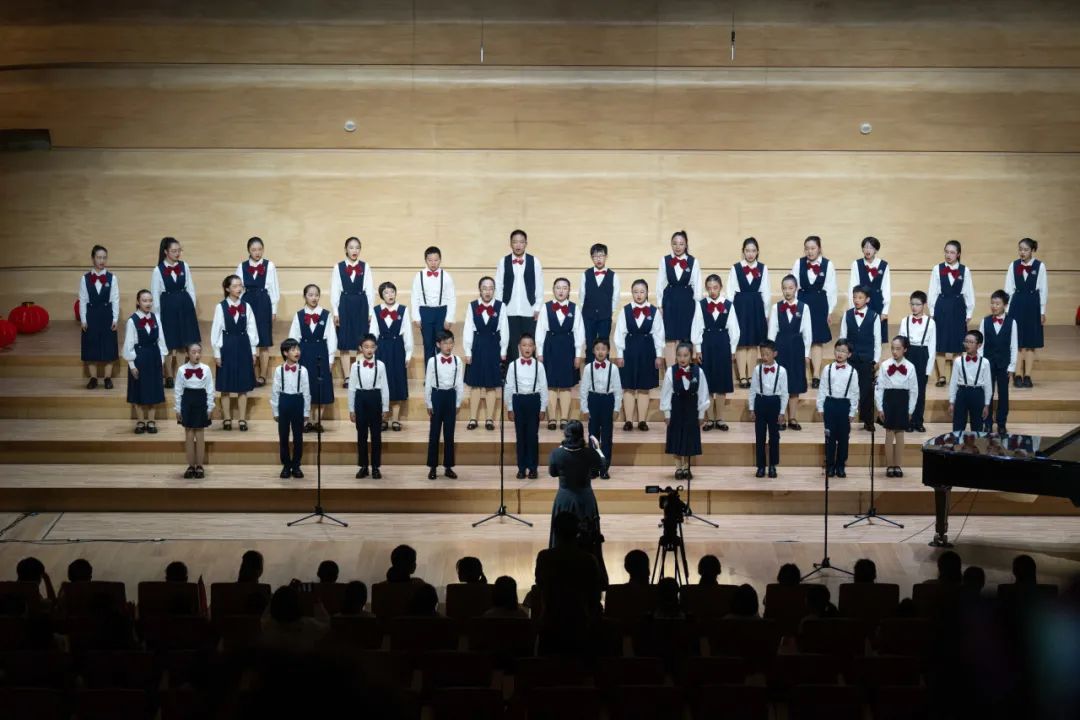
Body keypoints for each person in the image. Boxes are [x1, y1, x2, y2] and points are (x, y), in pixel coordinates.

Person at [534, 511, 603, 656]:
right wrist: (595, 550)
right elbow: (599, 590)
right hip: (579, 625)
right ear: (577, 531)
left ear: (555, 531)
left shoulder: (544, 557)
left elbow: (540, 585)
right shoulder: (588, 559)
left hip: (551, 624)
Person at [547, 420, 606, 579]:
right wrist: (598, 450)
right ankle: (588, 576)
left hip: (564, 499)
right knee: (588, 537)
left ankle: (560, 575)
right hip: (585, 499)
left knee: (563, 536)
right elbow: (601, 467)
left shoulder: (556, 453)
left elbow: (553, 473)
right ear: (581, 434)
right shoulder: (590, 453)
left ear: (566, 434)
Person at [614, 279, 665, 431]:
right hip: (629, 350)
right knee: (628, 386)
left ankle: (642, 420)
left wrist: (659, 355)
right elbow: (619, 333)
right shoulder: (625, 310)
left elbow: (659, 334)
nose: (639, 295)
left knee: (644, 386)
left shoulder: (654, 311)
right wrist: (619, 354)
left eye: (642, 292)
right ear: (632, 293)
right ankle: (628, 420)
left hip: (648, 351)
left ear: (647, 293)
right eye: (635, 292)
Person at [691, 273, 739, 431]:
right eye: (709, 288)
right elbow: (697, 327)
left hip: (723, 344)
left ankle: (720, 418)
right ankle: (710, 418)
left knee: (721, 384)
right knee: (708, 383)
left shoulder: (728, 305)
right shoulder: (701, 304)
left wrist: (732, 350)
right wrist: (698, 349)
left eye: (715, 287)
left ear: (721, 287)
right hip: (707, 344)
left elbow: (734, 329)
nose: (712, 291)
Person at [536, 277, 585, 430]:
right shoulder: (546, 307)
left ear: (569, 290)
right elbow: (540, 331)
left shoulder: (575, 308)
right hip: (550, 347)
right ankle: (551, 418)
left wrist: (578, 354)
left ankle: (564, 418)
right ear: (553, 290)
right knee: (550, 385)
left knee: (566, 385)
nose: (561, 291)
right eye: (558, 287)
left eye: (564, 288)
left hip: (568, 348)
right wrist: (539, 352)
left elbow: (579, 332)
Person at [212, 274, 258, 432]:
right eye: (235, 286)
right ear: (227, 289)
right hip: (227, 345)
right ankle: (226, 418)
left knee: (243, 386)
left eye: (240, 285)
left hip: (244, 345)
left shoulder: (247, 306)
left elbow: (252, 329)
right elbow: (216, 331)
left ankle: (242, 419)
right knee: (225, 386)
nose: (239, 288)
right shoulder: (220, 307)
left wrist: (253, 351)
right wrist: (217, 353)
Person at [152, 236, 200, 386]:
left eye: (179, 250)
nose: (177, 253)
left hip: (184, 307)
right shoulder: (158, 270)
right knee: (168, 343)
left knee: (182, 342)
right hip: (167, 308)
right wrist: (157, 315)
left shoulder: (184, 266)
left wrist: (190, 308)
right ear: (166, 252)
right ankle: (168, 375)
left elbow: (190, 288)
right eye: (174, 251)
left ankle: (179, 373)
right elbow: (155, 294)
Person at [288, 284, 337, 433]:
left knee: (320, 387)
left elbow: (332, 338)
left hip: (321, 353)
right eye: (310, 295)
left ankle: (318, 421)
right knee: (305, 386)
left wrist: (330, 359)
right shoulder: (299, 315)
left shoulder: (326, 315)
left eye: (316, 295)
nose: (314, 298)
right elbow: (293, 338)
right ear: (304, 296)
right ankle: (307, 420)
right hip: (303, 354)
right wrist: (293, 358)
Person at [767, 275, 812, 430]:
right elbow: (772, 332)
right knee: (780, 384)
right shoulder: (776, 307)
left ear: (796, 288)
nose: (787, 291)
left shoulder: (804, 307)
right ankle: (781, 418)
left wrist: (806, 354)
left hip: (797, 347)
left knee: (794, 383)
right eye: (785, 288)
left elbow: (807, 333)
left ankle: (792, 417)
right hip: (780, 347)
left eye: (790, 288)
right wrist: (770, 352)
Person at [463, 276, 508, 431]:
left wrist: (503, 350)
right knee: (475, 385)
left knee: (491, 384)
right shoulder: (472, 305)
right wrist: (467, 350)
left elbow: (504, 328)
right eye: (484, 288)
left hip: (494, 345)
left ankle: (489, 419)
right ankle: (473, 418)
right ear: (480, 290)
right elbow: (468, 328)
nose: (487, 291)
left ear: (494, 290)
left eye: (490, 288)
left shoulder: (501, 306)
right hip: (477, 345)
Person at [660, 341, 710, 480]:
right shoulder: (670, 371)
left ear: (691, 356)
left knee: (689, 439)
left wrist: (701, 413)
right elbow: (665, 393)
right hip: (676, 409)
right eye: (679, 355)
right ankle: (678, 468)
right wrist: (667, 413)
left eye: (685, 355)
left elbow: (703, 393)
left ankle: (687, 468)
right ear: (676, 356)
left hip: (692, 410)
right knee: (676, 438)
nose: (682, 358)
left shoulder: (698, 371)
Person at [929, 239, 975, 387]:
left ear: (958, 254)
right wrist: (932, 311)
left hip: (958, 307)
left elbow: (968, 292)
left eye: (952, 252)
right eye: (946, 252)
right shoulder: (937, 269)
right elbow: (932, 291)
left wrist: (969, 312)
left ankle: (956, 375)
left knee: (958, 342)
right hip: (941, 306)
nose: (948, 255)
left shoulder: (965, 270)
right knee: (940, 342)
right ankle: (942, 376)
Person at [792, 235, 837, 387]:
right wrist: (793, 306)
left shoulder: (828, 264)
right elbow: (793, 286)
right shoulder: (798, 263)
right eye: (807, 249)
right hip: (802, 303)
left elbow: (831, 289)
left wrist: (829, 311)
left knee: (817, 340)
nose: (810, 252)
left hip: (819, 304)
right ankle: (803, 373)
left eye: (813, 248)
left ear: (819, 249)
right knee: (802, 338)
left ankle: (816, 374)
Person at [331, 236, 375, 386]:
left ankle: (359, 375)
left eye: (357, 247)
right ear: (346, 249)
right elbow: (335, 290)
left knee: (360, 340)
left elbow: (370, 290)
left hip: (361, 304)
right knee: (344, 341)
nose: (354, 250)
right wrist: (336, 312)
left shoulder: (365, 266)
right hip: (344, 304)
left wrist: (370, 312)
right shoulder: (338, 267)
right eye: (351, 247)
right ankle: (347, 377)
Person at [236, 236, 280, 386]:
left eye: (260, 249)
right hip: (247, 302)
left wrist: (273, 310)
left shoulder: (270, 265)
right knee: (248, 338)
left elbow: (274, 288)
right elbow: (238, 288)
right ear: (248, 250)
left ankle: (262, 375)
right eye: (254, 250)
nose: (257, 252)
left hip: (263, 302)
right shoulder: (242, 266)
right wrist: (238, 307)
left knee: (263, 340)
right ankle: (251, 374)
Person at [123, 289, 168, 435]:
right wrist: (132, 365)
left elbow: (161, 340)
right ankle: (140, 421)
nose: (148, 303)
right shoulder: (132, 321)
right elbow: (129, 345)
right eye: (144, 300)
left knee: (153, 390)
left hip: (154, 356)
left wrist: (161, 360)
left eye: (150, 300)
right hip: (139, 357)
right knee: (139, 390)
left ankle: (151, 421)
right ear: (138, 302)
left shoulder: (156, 318)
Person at [495, 229, 544, 362]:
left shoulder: (535, 261)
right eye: (515, 242)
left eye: (521, 242)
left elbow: (539, 286)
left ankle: (530, 371)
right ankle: (511, 372)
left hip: (529, 310)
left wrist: (537, 307)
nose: (518, 245)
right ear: (510, 244)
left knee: (529, 344)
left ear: (526, 243)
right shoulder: (503, 261)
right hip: (509, 310)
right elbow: (498, 286)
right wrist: (500, 308)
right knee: (511, 344)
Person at [1004, 238, 1047, 388]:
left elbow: (1043, 290)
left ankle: (1027, 375)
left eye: (1025, 250)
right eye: (1020, 249)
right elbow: (1008, 288)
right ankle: (1017, 374)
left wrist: (1042, 311)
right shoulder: (1013, 265)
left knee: (1030, 343)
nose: (1022, 252)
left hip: (1033, 304)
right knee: (1017, 342)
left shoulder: (1040, 266)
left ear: (1032, 250)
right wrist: (1006, 310)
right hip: (1017, 304)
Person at [371, 282, 412, 432]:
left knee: (396, 381)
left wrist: (408, 353)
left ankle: (395, 419)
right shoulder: (376, 310)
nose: (390, 295)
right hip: (381, 348)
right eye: (386, 292)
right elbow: (373, 332)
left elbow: (407, 333)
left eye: (392, 292)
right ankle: (383, 418)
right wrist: (372, 353)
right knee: (382, 382)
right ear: (382, 295)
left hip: (397, 348)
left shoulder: (403, 310)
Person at [506, 334, 549, 479]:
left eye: (530, 345)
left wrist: (542, 408)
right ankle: (521, 468)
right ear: (519, 347)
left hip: (533, 400)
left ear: (534, 348)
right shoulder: (513, 365)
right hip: (518, 400)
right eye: (524, 345)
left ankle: (533, 468)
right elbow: (509, 387)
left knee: (532, 436)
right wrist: (510, 408)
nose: (527, 348)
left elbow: (543, 387)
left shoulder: (539, 366)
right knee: (520, 436)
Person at [839, 285, 882, 431]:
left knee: (867, 391)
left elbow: (877, 340)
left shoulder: (874, 316)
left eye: (860, 297)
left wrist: (875, 359)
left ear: (867, 299)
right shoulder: (847, 315)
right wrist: (843, 355)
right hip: (850, 359)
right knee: (847, 389)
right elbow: (843, 337)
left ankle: (868, 420)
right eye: (855, 297)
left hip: (866, 359)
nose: (856, 300)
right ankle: (844, 418)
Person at [729, 237, 770, 387]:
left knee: (753, 343)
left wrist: (765, 314)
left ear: (757, 252)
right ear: (743, 252)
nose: (750, 254)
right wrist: (730, 314)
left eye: (753, 251)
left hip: (756, 307)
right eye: (747, 251)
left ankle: (751, 375)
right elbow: (730, 291)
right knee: (741, 342)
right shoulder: (736, 268)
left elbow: (766, 292)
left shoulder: (763, 268)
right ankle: (742, 376)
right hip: (740, 307)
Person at [579, 338, 622, 479]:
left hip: (607, 401)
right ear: (593, 351)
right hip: (593, 400)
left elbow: (618, 390)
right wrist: (585, 409)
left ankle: (604, 468)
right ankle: (593, 467)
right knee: (593, 436)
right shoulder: (588, 368)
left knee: (607, 437)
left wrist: (616, 408)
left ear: (608, 351)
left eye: (603, 349)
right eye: (597, 349)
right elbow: (583, 389)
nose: (600, 352)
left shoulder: (613, 368)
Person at [817, 339, 860, 478]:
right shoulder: (827, 369)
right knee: (829, 437)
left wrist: (852, 411)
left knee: (843, 438)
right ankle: (830, 465)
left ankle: (841, 465)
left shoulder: (853, 372)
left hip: (844, 405)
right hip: (830, 404)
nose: (840, 354)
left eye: (843, 351)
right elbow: (822, 388)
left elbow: (855, 392)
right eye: (838, 350)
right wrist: (820, 406)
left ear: (849, 354)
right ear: (834, 351)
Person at [876, 337, 918, 478]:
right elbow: (879, 388)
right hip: (889, 400)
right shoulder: (885, 365)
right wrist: (880, 407)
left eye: (898, 348)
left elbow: (914, 390)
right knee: (889, 433)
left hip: (903, 400)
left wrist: (910, 410)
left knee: (900, 433)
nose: (894, 351)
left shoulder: (910, 367)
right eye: (892, 348)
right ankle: (889, 465)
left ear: (905, 349)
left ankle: (898, 465)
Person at [79, 244, 120, 390]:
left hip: (107, 314)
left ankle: (108, 378)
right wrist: (83, 320)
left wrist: (115, 319)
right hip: (91, 315)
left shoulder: (112, 278)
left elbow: (115, 299)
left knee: (108, 346)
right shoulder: (85, 279)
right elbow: (82, 300)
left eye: (104, 258)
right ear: (93, 259)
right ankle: (93, 378)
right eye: (99, 257)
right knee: (91, 346)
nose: (102, 261)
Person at [349, 334, 390, 480]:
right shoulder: (355, 366)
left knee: (376, 435)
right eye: (366, 347)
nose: (369, 350)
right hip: (360, 400)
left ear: (376, 348)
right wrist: (351, 409)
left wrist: (385, 407)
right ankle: (363, 466)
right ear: (360, 348)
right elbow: (351, 388)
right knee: (361, 435)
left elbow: (385, 387)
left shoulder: (381, 365)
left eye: (372, 347)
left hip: (375, 398)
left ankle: (376, 467)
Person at [424, 330, 463, 479]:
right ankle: (432, 467)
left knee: (449, 434)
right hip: (437, 396)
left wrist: (458, 402)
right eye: (445, 343)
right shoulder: (432, 361)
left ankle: (448, 466)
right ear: (438, 344)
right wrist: (428, 403)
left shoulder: (457, 361)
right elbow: (428, 383)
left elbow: (459, 383)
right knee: (434, 433)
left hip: (451, 396)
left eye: (451, 343)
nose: (448, 346)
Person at [656, 230, 702, 353]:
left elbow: (697, 285)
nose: (678, 247)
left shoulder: (693, 261)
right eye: (675, 243)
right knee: (669, 335)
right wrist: (660, 305)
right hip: (669, 300)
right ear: (671, 244)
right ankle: (671, 365)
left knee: (685, 335)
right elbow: (660, 283)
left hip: (687, 301)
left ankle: (685, 364)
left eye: (681, 244)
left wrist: (698, 306)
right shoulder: (665, 260)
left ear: (686, 245)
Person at [271, 339, 310, 479]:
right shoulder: (279, 370)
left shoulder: (303, 370)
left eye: (298, 349)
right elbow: (275, 391)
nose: (297, 352)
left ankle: (296, 465)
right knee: (283, 436)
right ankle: (286, 465)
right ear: (285, 353)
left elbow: (306, 392)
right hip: (284, 402)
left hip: (298, 402)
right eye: (293, 350)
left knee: (298, 437)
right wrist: (275, 411)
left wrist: (306, 411)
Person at [174, 342, 214, 479]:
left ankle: (200, 466)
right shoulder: (181, 370)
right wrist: (178, 408)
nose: (197, 355)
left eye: (199, 352)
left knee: (200, 434)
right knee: (189, 435)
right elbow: (178, 390)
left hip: (201, 401)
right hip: (187, 402)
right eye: (194, 352)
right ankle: (191, 466)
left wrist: (210, 406)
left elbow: (210, 389)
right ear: (187, 354)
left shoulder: (206, 369)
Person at [897, 291, 936, 433]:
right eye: (912, 304)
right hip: (908, 354)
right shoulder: (905, 320)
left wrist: (928, 369)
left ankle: (918, 421)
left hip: (922, 355)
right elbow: (900, 342)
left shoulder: (930, 322)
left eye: (918, 304)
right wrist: (899, 362)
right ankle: (906, 420)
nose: (914, 307)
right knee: (906, 390)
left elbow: (932, 346)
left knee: (920, 391)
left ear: (924, 305)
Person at [749, 340, 788, 478]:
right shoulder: (757, 369)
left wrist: (782, 412)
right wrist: (752, 409)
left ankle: (772, 465)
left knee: (774, 437)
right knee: (760, 436)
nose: (764, 357)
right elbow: (752, 390)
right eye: (762, 354)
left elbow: (785, 393)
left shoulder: (782, 371)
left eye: (767, 354)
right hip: (760, 402)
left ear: (775, 354)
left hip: (774, 403)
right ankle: (761, 466)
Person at [411, 246, 457, 363]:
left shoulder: (446, 276)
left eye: (436, 260)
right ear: (425, 260)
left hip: (441, 312)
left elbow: (451, 298)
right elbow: (415, 297)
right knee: (428, 344)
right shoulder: (419, 276)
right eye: (430, 260)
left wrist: (449, 318)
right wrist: (416, 317)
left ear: (440, 260)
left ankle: (440, 371)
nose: (433, 263)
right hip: (425, 312)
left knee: (442, 343)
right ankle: (429, 373)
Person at [981, 290, 1018, 434]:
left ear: (1005, 305)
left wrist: (1011, 367)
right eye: (992, 303)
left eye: (997, 304)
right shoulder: (985, 321)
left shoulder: (1011, 322)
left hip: (1004, 364)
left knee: (1003, 394)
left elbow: (1013, 346)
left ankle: (1001, 423)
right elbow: (980, 345)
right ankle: (987, 422)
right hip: (988, 363)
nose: (994, 306)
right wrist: (981, 364)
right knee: (987, 393)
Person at [848, 236, 891, 350]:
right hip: (861, 303)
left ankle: (875, 359)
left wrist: (885, 311)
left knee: (877, 337)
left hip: (877, 303)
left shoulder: (884, 265)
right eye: (865, 247)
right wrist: (853, 308)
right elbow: (852, 287)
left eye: (871, 248)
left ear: (876, 250)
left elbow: (886, 288)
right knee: (860, 334)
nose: (868, 250)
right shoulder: (856, 264)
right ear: (862, 249)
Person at [580, 243, 620, 363]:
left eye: (601, 255)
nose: (598, 259)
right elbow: (582, 295)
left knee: (604, 343)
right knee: (589, 343)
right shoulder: (586, 274)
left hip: (605, 316)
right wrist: (584, 312)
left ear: (606, 257)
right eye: (595, 256)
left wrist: (609, 311)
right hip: (588, 316)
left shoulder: (613, 276)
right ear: (592, 258)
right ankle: (589, 369)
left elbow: (615, 297)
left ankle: (604, 369)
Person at [949, 330, 992, 432]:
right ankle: (958, 442)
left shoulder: (985, 362)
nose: (967, 344)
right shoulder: (958, 361)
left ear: (979, 345)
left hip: (977, 393)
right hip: (962, 393)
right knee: (958, 425)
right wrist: (951, 402)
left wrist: (987, 404)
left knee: (977, 426)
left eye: (971, 342)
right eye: (966, 341)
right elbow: (953, 382)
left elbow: (988, 385)